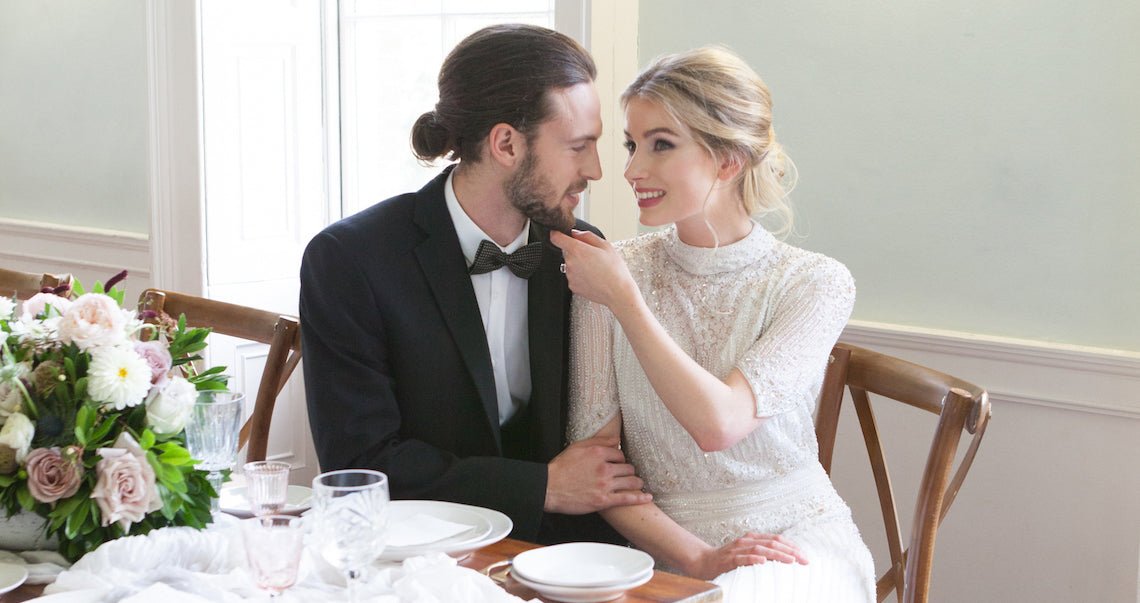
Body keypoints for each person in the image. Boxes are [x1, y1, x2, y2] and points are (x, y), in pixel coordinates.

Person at [299, 24, 650, 545]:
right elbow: (359, 463)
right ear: (506, 144)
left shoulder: (583, 253)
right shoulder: (350, 260)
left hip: (568, 553)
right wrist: (542, 487)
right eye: (578, 147)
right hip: (421, 548)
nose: (596, 170)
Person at [552, 46, 875, 601]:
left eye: (661, 144)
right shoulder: (613, 273)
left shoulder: (816, 283)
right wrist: (695, 556)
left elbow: (719, 425)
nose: (632, 170)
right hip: (664, 551)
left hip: (793, 544)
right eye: (632, 144)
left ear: (728, 160)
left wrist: (626, 301)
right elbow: (597, 468)